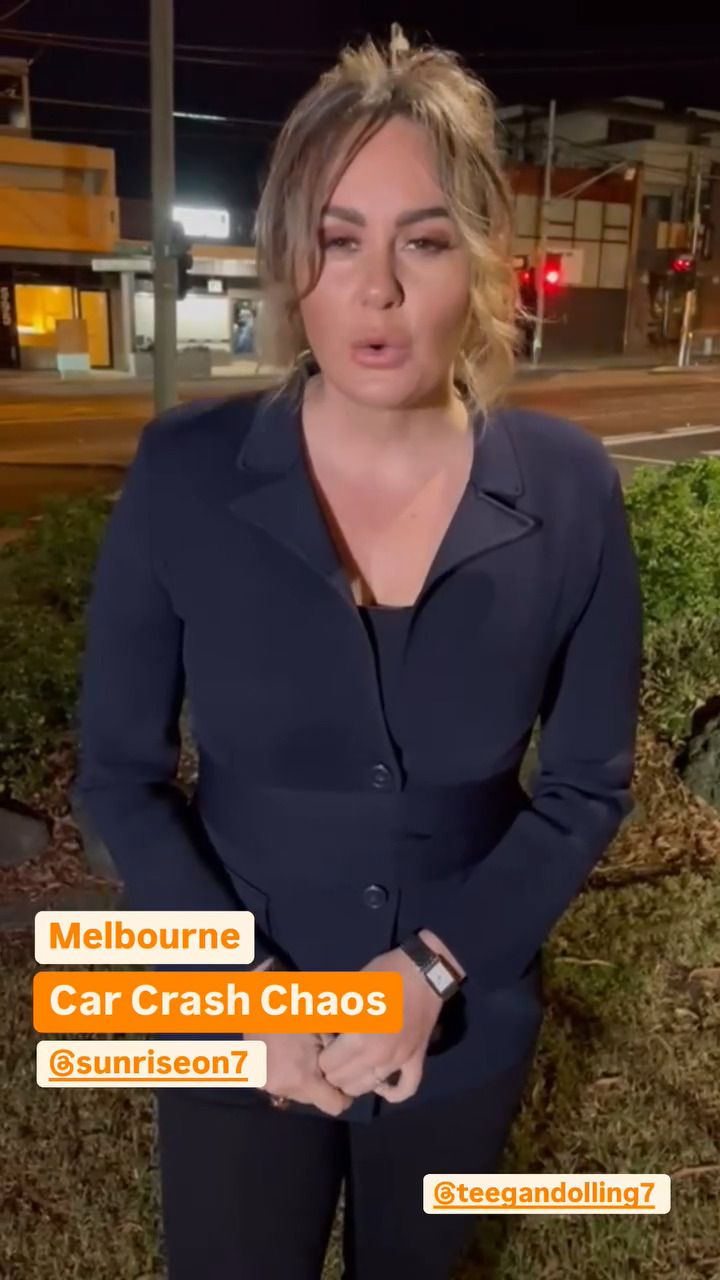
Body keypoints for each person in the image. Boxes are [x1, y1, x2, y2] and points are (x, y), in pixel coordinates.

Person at [74, 27, 644, 1280]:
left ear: (480, 260)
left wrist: (434, 970)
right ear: (294, 259)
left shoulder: (570, 490)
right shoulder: (185, 474)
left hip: (464, 1021)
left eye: (422, 242)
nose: (376, 289)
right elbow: (118, 774)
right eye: (340, 240)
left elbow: (586, 785)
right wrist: (251, 998)